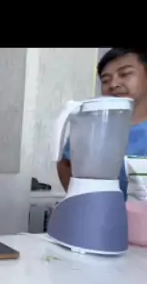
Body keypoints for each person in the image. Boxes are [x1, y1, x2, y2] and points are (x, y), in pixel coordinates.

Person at [57, 48, 147, 196]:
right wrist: (84, 200)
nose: (113, 84)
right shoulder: (91, 125)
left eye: (124, 74)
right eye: (105, 80)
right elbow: (66, 164)